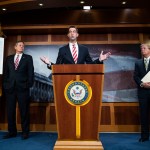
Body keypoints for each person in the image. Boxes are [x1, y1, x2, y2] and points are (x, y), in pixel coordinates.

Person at [3, 41, 34, 140]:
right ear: (15, 47)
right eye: (20, 45)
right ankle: (12, 132)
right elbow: (6, 73)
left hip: (23, 88)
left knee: (24, 111)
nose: (22, 47)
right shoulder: (8, 58)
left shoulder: (28, 58)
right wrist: (5, 85)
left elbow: (31, 72)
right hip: (10, 89)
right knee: (10, 111)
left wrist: (28, 85)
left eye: (23, 46)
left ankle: (25, 132)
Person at [40, 26, 111, 68]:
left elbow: (90, 65)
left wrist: (99, 60)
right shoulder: (62, 50)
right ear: (68, 35)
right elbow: (58, 67)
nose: (72, 33)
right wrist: (49, 63)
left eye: (74, 31)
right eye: (70, 32)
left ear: (77, 34)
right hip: (67, 80)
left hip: (81, 79)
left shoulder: (84, 49)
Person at [134, 41, 150, 142]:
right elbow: (135, 76)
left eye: (144, 48)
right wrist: (142, 84)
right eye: (141, 48)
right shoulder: (138, 62)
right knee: (144, 115)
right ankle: (144, 136)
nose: (142, 50)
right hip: (143, 92)